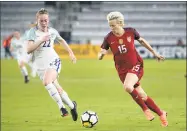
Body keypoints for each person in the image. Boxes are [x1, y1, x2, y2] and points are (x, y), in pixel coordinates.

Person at [98, 11, 168, 127]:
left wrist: (154, 53)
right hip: (122, 71)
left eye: (113, 25)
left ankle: (145, 110)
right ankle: (161, 113)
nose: (112, 28)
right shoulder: (108, 37)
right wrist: (101, 54)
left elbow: (142, 41)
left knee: (127, 86)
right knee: (142, 95)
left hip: (136, 65)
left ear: (120, 23)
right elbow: (102, 51)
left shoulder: (131, 31)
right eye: (110, 25)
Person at [26, 8, 78, 121]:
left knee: (47, 82)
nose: (44, 23)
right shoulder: (32, 32)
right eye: (41, 21)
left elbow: (62, 40)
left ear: (48, 20)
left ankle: (62, 108)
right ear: (37, 20)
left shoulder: (52, 31)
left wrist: (71, 53)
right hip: (41, 65)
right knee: (57, 88)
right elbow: (29, 49)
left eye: (46, 20)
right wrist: (41, 40)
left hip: (53, 61)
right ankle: (73, 106)